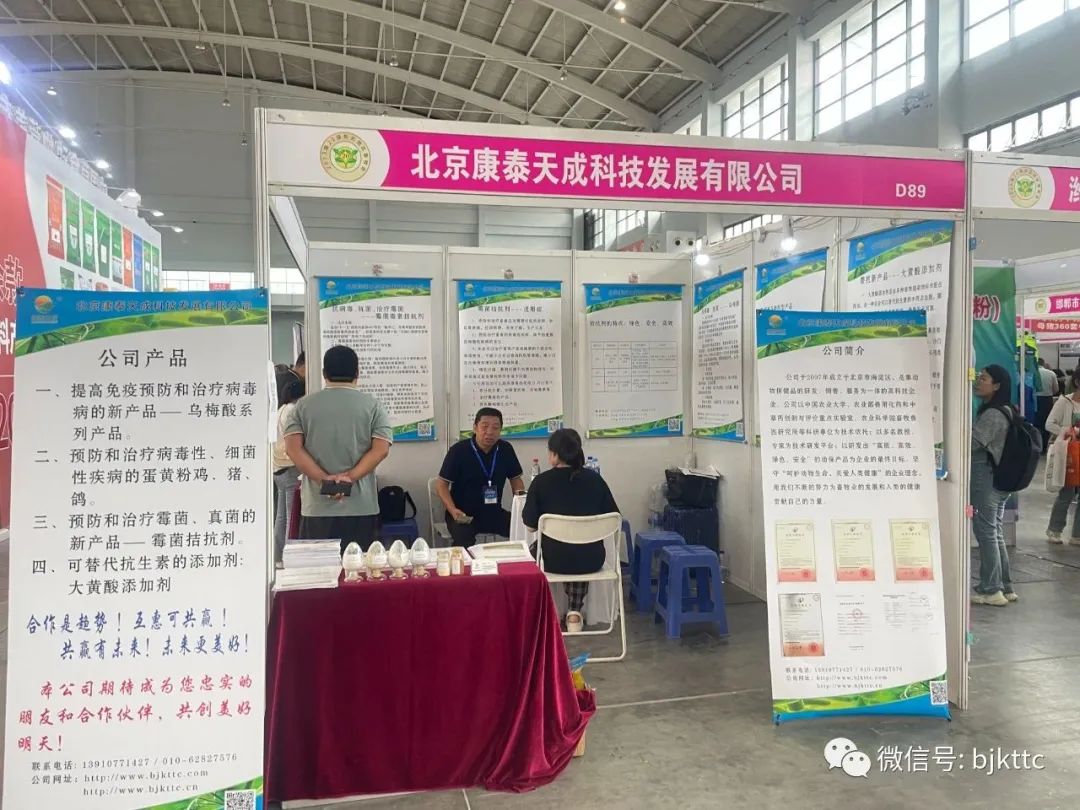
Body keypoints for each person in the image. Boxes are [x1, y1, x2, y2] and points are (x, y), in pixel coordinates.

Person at [283, 345, 392, 553]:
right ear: (357, 373)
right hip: (361, 507)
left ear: (324, 374)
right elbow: (381, 450)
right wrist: (349, 478)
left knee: (319, 568)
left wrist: (325, 480)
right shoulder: (374, 406)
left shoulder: (302, 406)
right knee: (359, 568)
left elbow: (293, 449)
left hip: (317, 508)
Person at [523, 429, 619, 630]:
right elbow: (614, 520)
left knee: (533, 551)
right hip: (592, 559)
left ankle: (542, 611)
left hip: (552, 560)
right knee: (580, 548)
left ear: (555, 454)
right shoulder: (595, 480)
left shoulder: (541, 482)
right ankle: (574, 613)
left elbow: (530, 526)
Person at [435, 408, 524, 547]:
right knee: (464, 541)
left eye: (495, 428)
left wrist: (521, 508)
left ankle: (523, 560)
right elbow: (441, 485)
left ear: (500, 430)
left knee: (526, 526)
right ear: (475, 428)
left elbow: (516, 481)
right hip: (463, 514)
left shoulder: (505, 449)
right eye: (485, 426)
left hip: (493, 512)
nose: (490, 432)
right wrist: (452, 510)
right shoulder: (458, 451)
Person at [970, 365, 1016, 606]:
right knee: (994, 531)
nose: (978, 381)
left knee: (986, 532)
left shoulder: (993, 415)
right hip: (999, 478)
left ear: (996, 385)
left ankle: (991, 589)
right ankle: (1004, 586)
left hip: (985, 477)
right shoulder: (1008, 410)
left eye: (984, 378)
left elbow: (973, 443)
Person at [1045, 367, 1080, 546]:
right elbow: (1049, 424)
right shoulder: (1064, 402)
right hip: (1069, 453)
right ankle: (1055, 529)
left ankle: (1077, 535)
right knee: (1066, 493)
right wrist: (1067, 431)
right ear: (1077, 382)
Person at [271, 377, 305, 566]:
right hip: (290, 467)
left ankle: (277, 557)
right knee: (292, 515)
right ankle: (288, 557)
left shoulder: (280, 410)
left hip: (278, 468)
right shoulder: (293, 411)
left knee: (282, 516)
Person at [1036, 358, 1059, 452]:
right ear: (1044, 363)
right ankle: (1044, 447)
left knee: (1036, 423)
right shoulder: (1051, 373)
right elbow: (1056, 389)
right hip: (1047, 400)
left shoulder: (1033, 373)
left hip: (1035, 399)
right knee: (1046, 422)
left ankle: (1037, 445)